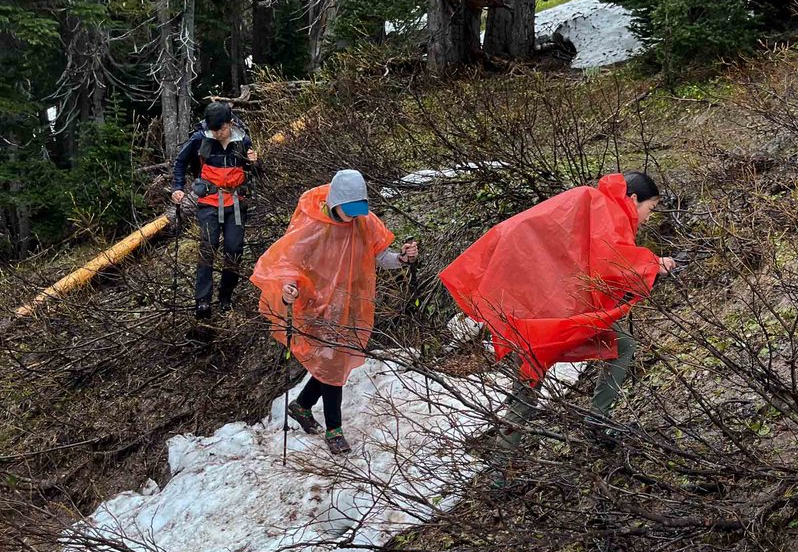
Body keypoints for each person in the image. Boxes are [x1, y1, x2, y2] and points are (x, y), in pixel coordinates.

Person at [440, 171, 674, 460]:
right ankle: (507, 467)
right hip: (549, 315)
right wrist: (653, 264)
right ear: (634, 198)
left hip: (543, 310)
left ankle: (591, 426)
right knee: (528, 389)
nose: (649, 218)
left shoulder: (591, 202)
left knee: (613, 349)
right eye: (650, 209)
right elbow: (610, 262)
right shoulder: (604, 210)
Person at [250, 169, 418, 456]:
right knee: (332, 363)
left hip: (350, 302)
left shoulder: (364, 221)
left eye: (357, 210)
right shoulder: (313, 225)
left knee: (334, 362)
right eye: (348, 210)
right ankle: (334, 430)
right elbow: (289, 262)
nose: (353, 216)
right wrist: (289, 288)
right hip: (316, 304)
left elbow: (380, 256)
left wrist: (402, 259)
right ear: (335, 201)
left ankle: (302, 406)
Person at [171, 100, 259, 319]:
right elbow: (180, 162)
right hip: (209, 201)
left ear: (229, 123)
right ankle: (202, 302)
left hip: (236, 201)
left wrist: (255, 163)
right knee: (208, 248)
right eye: (214, 129)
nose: (217, 133)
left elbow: (254, 171)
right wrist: (177, 188)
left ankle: (225, 297)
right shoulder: (200, 139)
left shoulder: (243, 140)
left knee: (234, 250)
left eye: (221, 128)